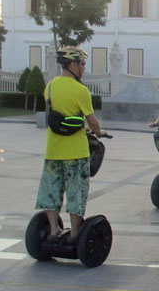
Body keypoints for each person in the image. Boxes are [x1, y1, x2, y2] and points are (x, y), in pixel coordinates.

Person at [35, 46, 106, 244]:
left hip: (53, 150)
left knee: (51, 190)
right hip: (76, 151)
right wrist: (100, 132)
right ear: (72, 64)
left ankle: (54, 229)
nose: (84, 68)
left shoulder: (49, 87)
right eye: (82, 64)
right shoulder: (80, 90)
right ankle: (75, 233)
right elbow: (92, 122)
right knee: (76, 192)